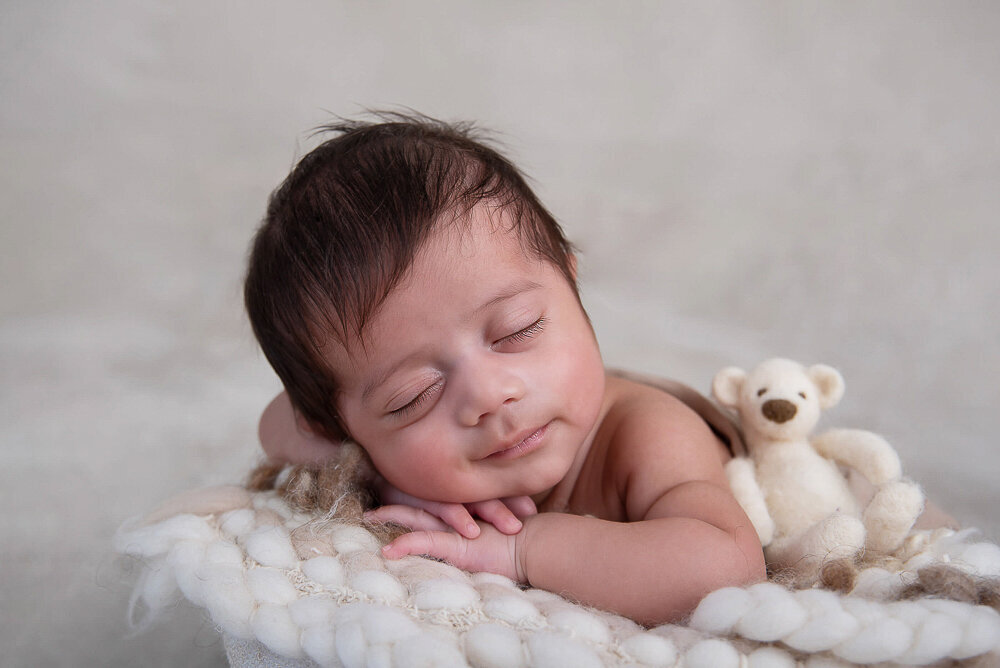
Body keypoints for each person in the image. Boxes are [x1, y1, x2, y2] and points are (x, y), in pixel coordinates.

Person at [244, 113, 765, 625]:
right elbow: (278, 423)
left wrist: (521, 550)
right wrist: (387, 473)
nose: (488, 396)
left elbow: (726, 567)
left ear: (569, 279)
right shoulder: (371, 435)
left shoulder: (647, 431)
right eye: (414, 396)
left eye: (518, 330)